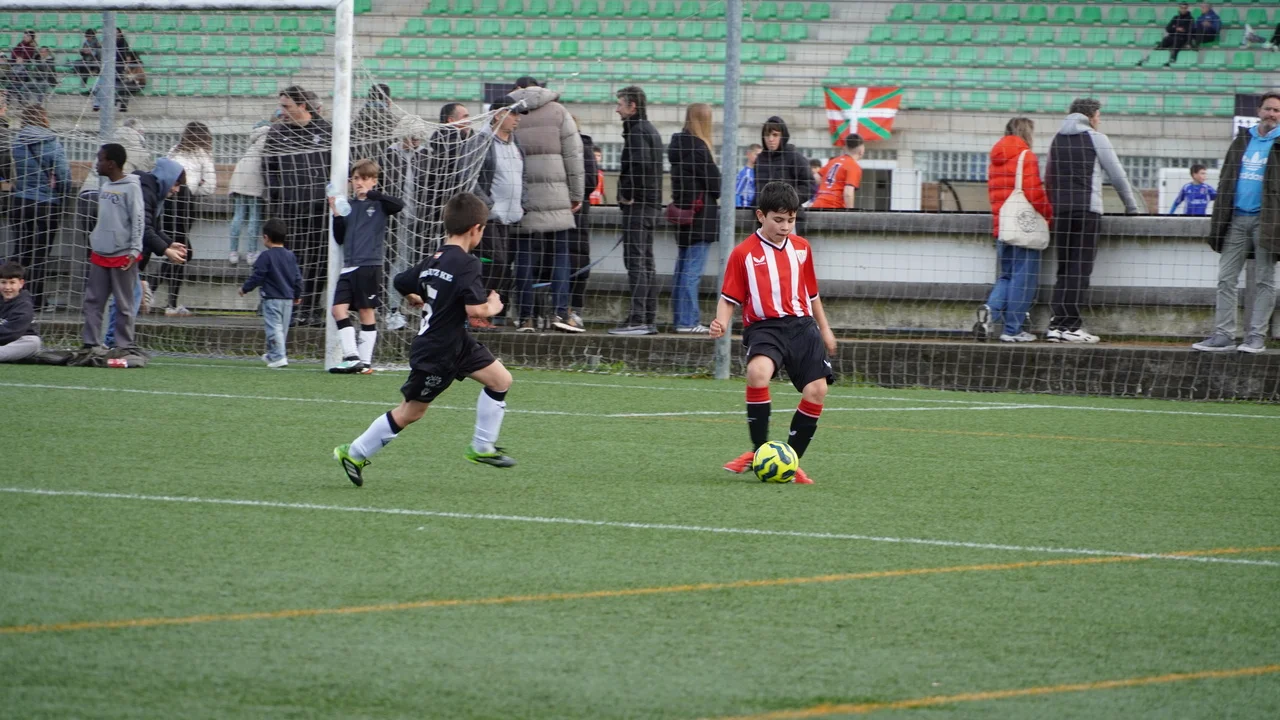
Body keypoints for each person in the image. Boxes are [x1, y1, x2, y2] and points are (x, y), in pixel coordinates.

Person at [333, 192, 517, 487]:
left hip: (456, 342)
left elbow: (400, 281)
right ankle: (354, 453)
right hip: (437, 350)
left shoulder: (435, 258)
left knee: (500, 380)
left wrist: (414, 296)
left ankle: (482, 447)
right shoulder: (468, 263)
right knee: (411, 412)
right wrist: (494, 306)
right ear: (476, 229)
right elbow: (475, 311)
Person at [708, 182, 836, 486]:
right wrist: (720, 322)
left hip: (802, 326)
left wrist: (825, 328)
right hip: (765, 327)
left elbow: (812, 294)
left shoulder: (802, 248)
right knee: (757, 372)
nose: (785, 226)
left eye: (790, 220)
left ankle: (791, 461)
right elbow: (729, 298)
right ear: (760, 216)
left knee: (817, 390)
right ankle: (758, 451)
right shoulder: (743, 253)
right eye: (778, 220)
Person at [1043, 98, 1140, 344]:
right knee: (1080, 268)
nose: (1099, 121)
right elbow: (1118, 176)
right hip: (1087, 211)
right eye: (1098, 116)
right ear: (1090, 116)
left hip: (1061, 212)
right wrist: (1132, 207)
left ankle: (1056, 326)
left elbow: (1049, 177)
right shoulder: (1096, 138)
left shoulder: (1057, 139)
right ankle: (1071, 326)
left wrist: (1055, 205)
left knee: (1064, 268)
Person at [1193, 92, 1280, 355]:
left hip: (1268, 221)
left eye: (1277, 110)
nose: (1272, 114)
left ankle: (1256, 337)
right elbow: (1226, 179)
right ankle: (1223, 335)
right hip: (1237, 219)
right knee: (1226, 278)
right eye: (1268, 109)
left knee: (1265, 280)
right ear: (1259, 111)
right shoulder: (1242, 140)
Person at [507, 76, 585, 333]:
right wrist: (577, 194)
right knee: (561, 255)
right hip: (557, 195)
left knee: (524, 257)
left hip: (523, 197)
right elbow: (574, 156)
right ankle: (560, 312)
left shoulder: (510, 111)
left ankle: (525, 317)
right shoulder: (559, 112)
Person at [976, 118, 1053, 344]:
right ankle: (1012, 329)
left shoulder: (995, 159)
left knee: (1007, 276)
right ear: (1027, 133)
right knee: (1023, 279)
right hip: (1024, 228)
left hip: (1003, 227)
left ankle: (990, 311)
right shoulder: (1025, 156)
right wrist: (1049, 214)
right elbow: (1034, 192)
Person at [264, 85, 333, 326]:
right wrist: (277, 198)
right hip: (288, 210)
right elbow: (269, 169)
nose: (281, 111)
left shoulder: (327, 131)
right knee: (291, 260)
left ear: (302, 106)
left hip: (319, 210)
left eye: (287, 106)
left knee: (319, 259)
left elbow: (339, 167)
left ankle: (313, 308)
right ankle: (293, 309)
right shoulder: (276, 133)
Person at [328, 159, 405, 373]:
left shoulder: (379, 204)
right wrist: (336, 215)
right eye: (355, 178)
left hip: (369, 265)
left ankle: (365, 362)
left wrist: (373, 194)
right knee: (337, 310)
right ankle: (353, 357)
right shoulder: (348, 206)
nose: (359, 182)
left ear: (374, 180)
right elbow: (339, 238)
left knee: (366, 311)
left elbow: (399, 205)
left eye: (364, 178)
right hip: (348, 266)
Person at [609, 85, 663, 336]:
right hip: (649, 205)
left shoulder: (638, 131)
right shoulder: (647, 129)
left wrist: (629, 195)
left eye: (620, 104)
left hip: (639, 207)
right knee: (646, 261)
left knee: (636, 262)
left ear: (632, 106)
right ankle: (646, 317)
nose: (617, 109)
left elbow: (640, 166)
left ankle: (639, 317)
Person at [80, 143, 144, 351]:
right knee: (93, 300)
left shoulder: (132, 187)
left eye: (100, 159)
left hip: (123, 255)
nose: (96, 164)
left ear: (111, 164)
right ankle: (91, 343)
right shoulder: (105, 186)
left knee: (124, 303)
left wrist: (135, 249)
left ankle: (123, 345)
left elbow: (138, 219)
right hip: (100, 253)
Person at [470, 100, 526, 331]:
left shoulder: (516, 143)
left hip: (510, 217)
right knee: (495, 261)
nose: (517, 118)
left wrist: (523, 200)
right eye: (513, 113)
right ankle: (475, 310)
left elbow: (522, 176)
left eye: (519, 114)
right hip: (489, 217)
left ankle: (484, 312)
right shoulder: (481, 141)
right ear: (497, 115)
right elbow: (470, 177)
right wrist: (487, 203)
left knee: (502, 265)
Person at [11, 104, 71, 312]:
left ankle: (12, 297)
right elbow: (64, 176)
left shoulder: (17, 142)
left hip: (20, 202)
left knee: (20, 251)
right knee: (40, 253)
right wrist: (61, 194)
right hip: (46, 204)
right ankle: (35, 300)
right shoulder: (52, 143)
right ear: (44, 118)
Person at [667, 103, 720, 334]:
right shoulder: (699, 148)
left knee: (682, 270)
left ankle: (681, 319)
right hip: (701, 217)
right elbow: (716, 185)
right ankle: (688, 321)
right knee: (692, 272)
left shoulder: (677, 146)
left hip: (684, 214)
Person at [157, 121, 215, 317]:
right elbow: (210, 187)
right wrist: (195, 186)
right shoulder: (203, 154)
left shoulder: (174, 151)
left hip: (166, 200)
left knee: (175, 250)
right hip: (184, 201)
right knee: (182, 251)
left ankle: (162, 299)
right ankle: (158, 294)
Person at [378, 113, 431, 331]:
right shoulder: (388, 155)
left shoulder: (427, 155)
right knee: (396, 263)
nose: (415, 142)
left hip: (420, 221)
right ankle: (392, 309)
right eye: (412, 138)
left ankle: (413, 308)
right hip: (394, 220)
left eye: (418, 139)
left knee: (415, 264)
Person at [239, 218, 302, 368]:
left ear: (266, 237)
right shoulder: (290, 255)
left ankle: (279, 357)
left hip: (272, 298)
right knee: (281, 329)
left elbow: (257, 276)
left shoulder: (265, 256)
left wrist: (245, 288)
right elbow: (298, 277)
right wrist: (298, 294)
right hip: (288, 299)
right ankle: (273, 354)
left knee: (273, 328)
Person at [421, 101, 473, 246]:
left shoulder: (440, 141)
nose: (469, 121)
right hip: (448, 207)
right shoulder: (451, 144)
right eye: (465, 117)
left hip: (438, 209)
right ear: (451, 120)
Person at [227, 115, 274, 265]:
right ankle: (251, 253)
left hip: (240, 176)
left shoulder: (256, 137)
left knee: (238, 215)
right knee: (254, 216)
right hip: (254, 178)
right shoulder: (269, 136)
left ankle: (233, 252)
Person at [754, 116, 813, 234]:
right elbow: (757, 188)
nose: (770, 139)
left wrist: (787, 201)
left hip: (788, 219)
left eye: (775, 135)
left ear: (783, 136)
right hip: (764, 220)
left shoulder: (794, 157)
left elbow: (809, 186)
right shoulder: (760, 159)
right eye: (767, 135)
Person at [570, 124, 598, 325]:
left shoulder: (583, 147)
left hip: (578, 215)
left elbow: (590, 181)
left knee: (577, 259)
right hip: (555, 213)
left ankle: (574, 310)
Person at [0, 262, 41, 363]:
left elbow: (11, 333)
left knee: (33, 343)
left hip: (20, 339)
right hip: (3, 342)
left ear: (21, 284)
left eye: (12, 283)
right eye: (3, 282)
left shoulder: (24, 305)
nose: (7, 287)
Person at [811, 134, 865, 210]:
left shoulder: (833, 161)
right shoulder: (853, 166)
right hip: (834, 207)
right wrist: (851, 212)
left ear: (845, 147)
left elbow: (816, 178)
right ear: (861, 151)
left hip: (817, 204)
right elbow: (848, 192)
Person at [352, 83, 396, 162]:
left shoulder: (357, 121)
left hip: (359, 165)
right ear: (388, 101)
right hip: (383, 165)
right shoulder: (393, 122)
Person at [736, 144, 761, 209]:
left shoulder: (761, 172)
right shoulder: (744, 174)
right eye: (756, 154)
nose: (759, 157)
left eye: (760, 155)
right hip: (746, 208)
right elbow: (736, 194)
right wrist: (739, 209)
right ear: (748, 154)